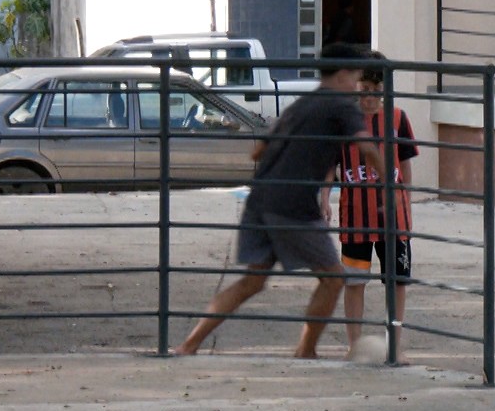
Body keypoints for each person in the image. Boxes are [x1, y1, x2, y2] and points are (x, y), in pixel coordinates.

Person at [179, 42, 382, 358]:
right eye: (356, 75)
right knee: (333, 279)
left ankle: (188, 345)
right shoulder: (342, 106)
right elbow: (367, 148)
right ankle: (306, 350)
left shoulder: (300, 105)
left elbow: (259, 150)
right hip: (292, 205)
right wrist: (394, 191)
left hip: (260, 199)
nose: (357, 83)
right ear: (344, 74)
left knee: (252, 281)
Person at [337, 52, 419, 359]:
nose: (369, 98)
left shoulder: (397, 118)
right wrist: (323, 199)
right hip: (355, 217)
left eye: (376, 91)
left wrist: (406, 199)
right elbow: (330, 163)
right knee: (354, 281)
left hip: (393, 217)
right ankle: (353, 344)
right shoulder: (345, 121)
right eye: (364, 90)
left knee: (396, 281)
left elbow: (406, 163)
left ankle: (394, 344)